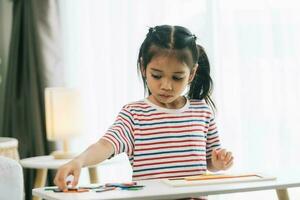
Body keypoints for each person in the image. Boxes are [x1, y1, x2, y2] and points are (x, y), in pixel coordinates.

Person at [54, 25, 234, 196]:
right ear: (143, 68)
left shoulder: (202, 112)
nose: (166, 86)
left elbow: (210, 162)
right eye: (157, 75)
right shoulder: (134, 114)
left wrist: (219, 163)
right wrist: (79, 160)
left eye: (177, 77)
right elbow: (105, 145)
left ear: (192, 74)